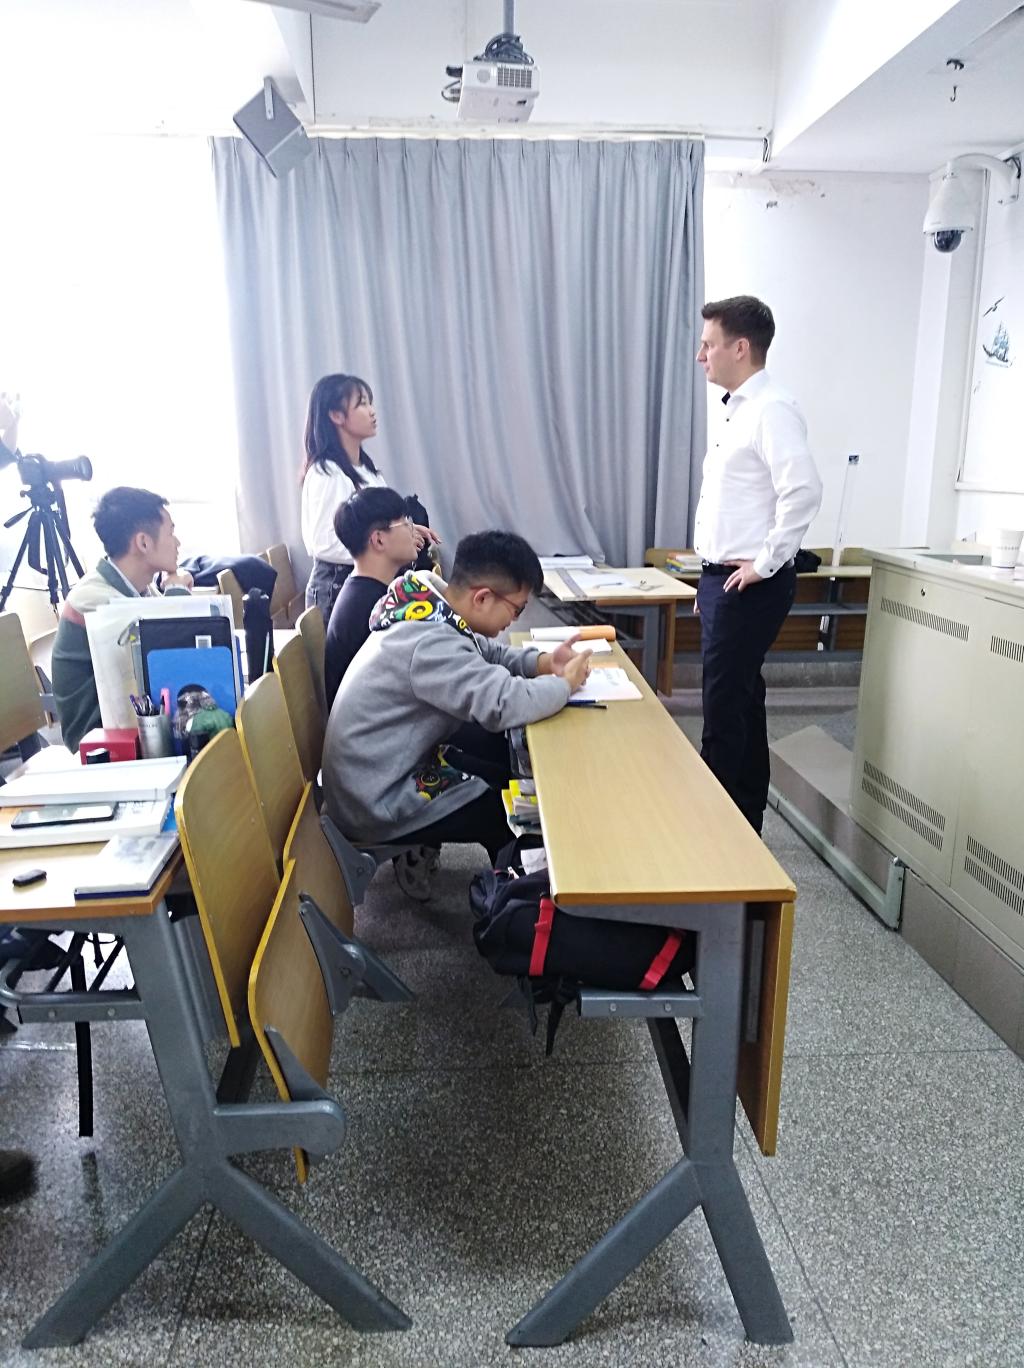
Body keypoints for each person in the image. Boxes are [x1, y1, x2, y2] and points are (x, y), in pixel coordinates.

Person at [322, 530, 591, 867]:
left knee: (502, 775)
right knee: (505, 815)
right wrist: (565, 685)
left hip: (379, 770)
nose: (514, 620)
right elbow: (503, 703)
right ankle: (512, 893)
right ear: (482, 598)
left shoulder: (428, 604)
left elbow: (484, 651)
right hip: (374, 799)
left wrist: (544, 663)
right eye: (517, 610)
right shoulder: (430, 644)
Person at [692, 295, 823, 834]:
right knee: (743, 699)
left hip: (749, 585)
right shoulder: (737, 410)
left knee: (723, 707)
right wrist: (709, 577)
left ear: (740, 348)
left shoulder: (772, 409)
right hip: (724, 580)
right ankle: (744, 818)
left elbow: (804, 491)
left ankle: (714, 833)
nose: (701, 355)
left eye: (709, 344)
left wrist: (764, 564)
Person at [51, 486, 193, 752]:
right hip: (99, 742)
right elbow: (167, 656)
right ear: (143, 542)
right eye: (170, 533)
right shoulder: (94, 600)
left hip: (135, 725)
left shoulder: (139, 588)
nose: (177, 543)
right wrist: (176, 592)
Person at [301, 373, 439, 625]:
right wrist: (387, 544)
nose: (372, 411)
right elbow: (323, 543)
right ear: (336, 415)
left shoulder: (366, 469)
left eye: (370, 402)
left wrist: (405, 530)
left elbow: (376, 523)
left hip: (365, 581)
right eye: (362, 404)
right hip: (337, 587)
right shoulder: (327, 473)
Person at [324, 485, 421, 709]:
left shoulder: (365, 591)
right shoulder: (368, 609)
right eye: (405, 522)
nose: (412, 530)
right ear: (379, 540)